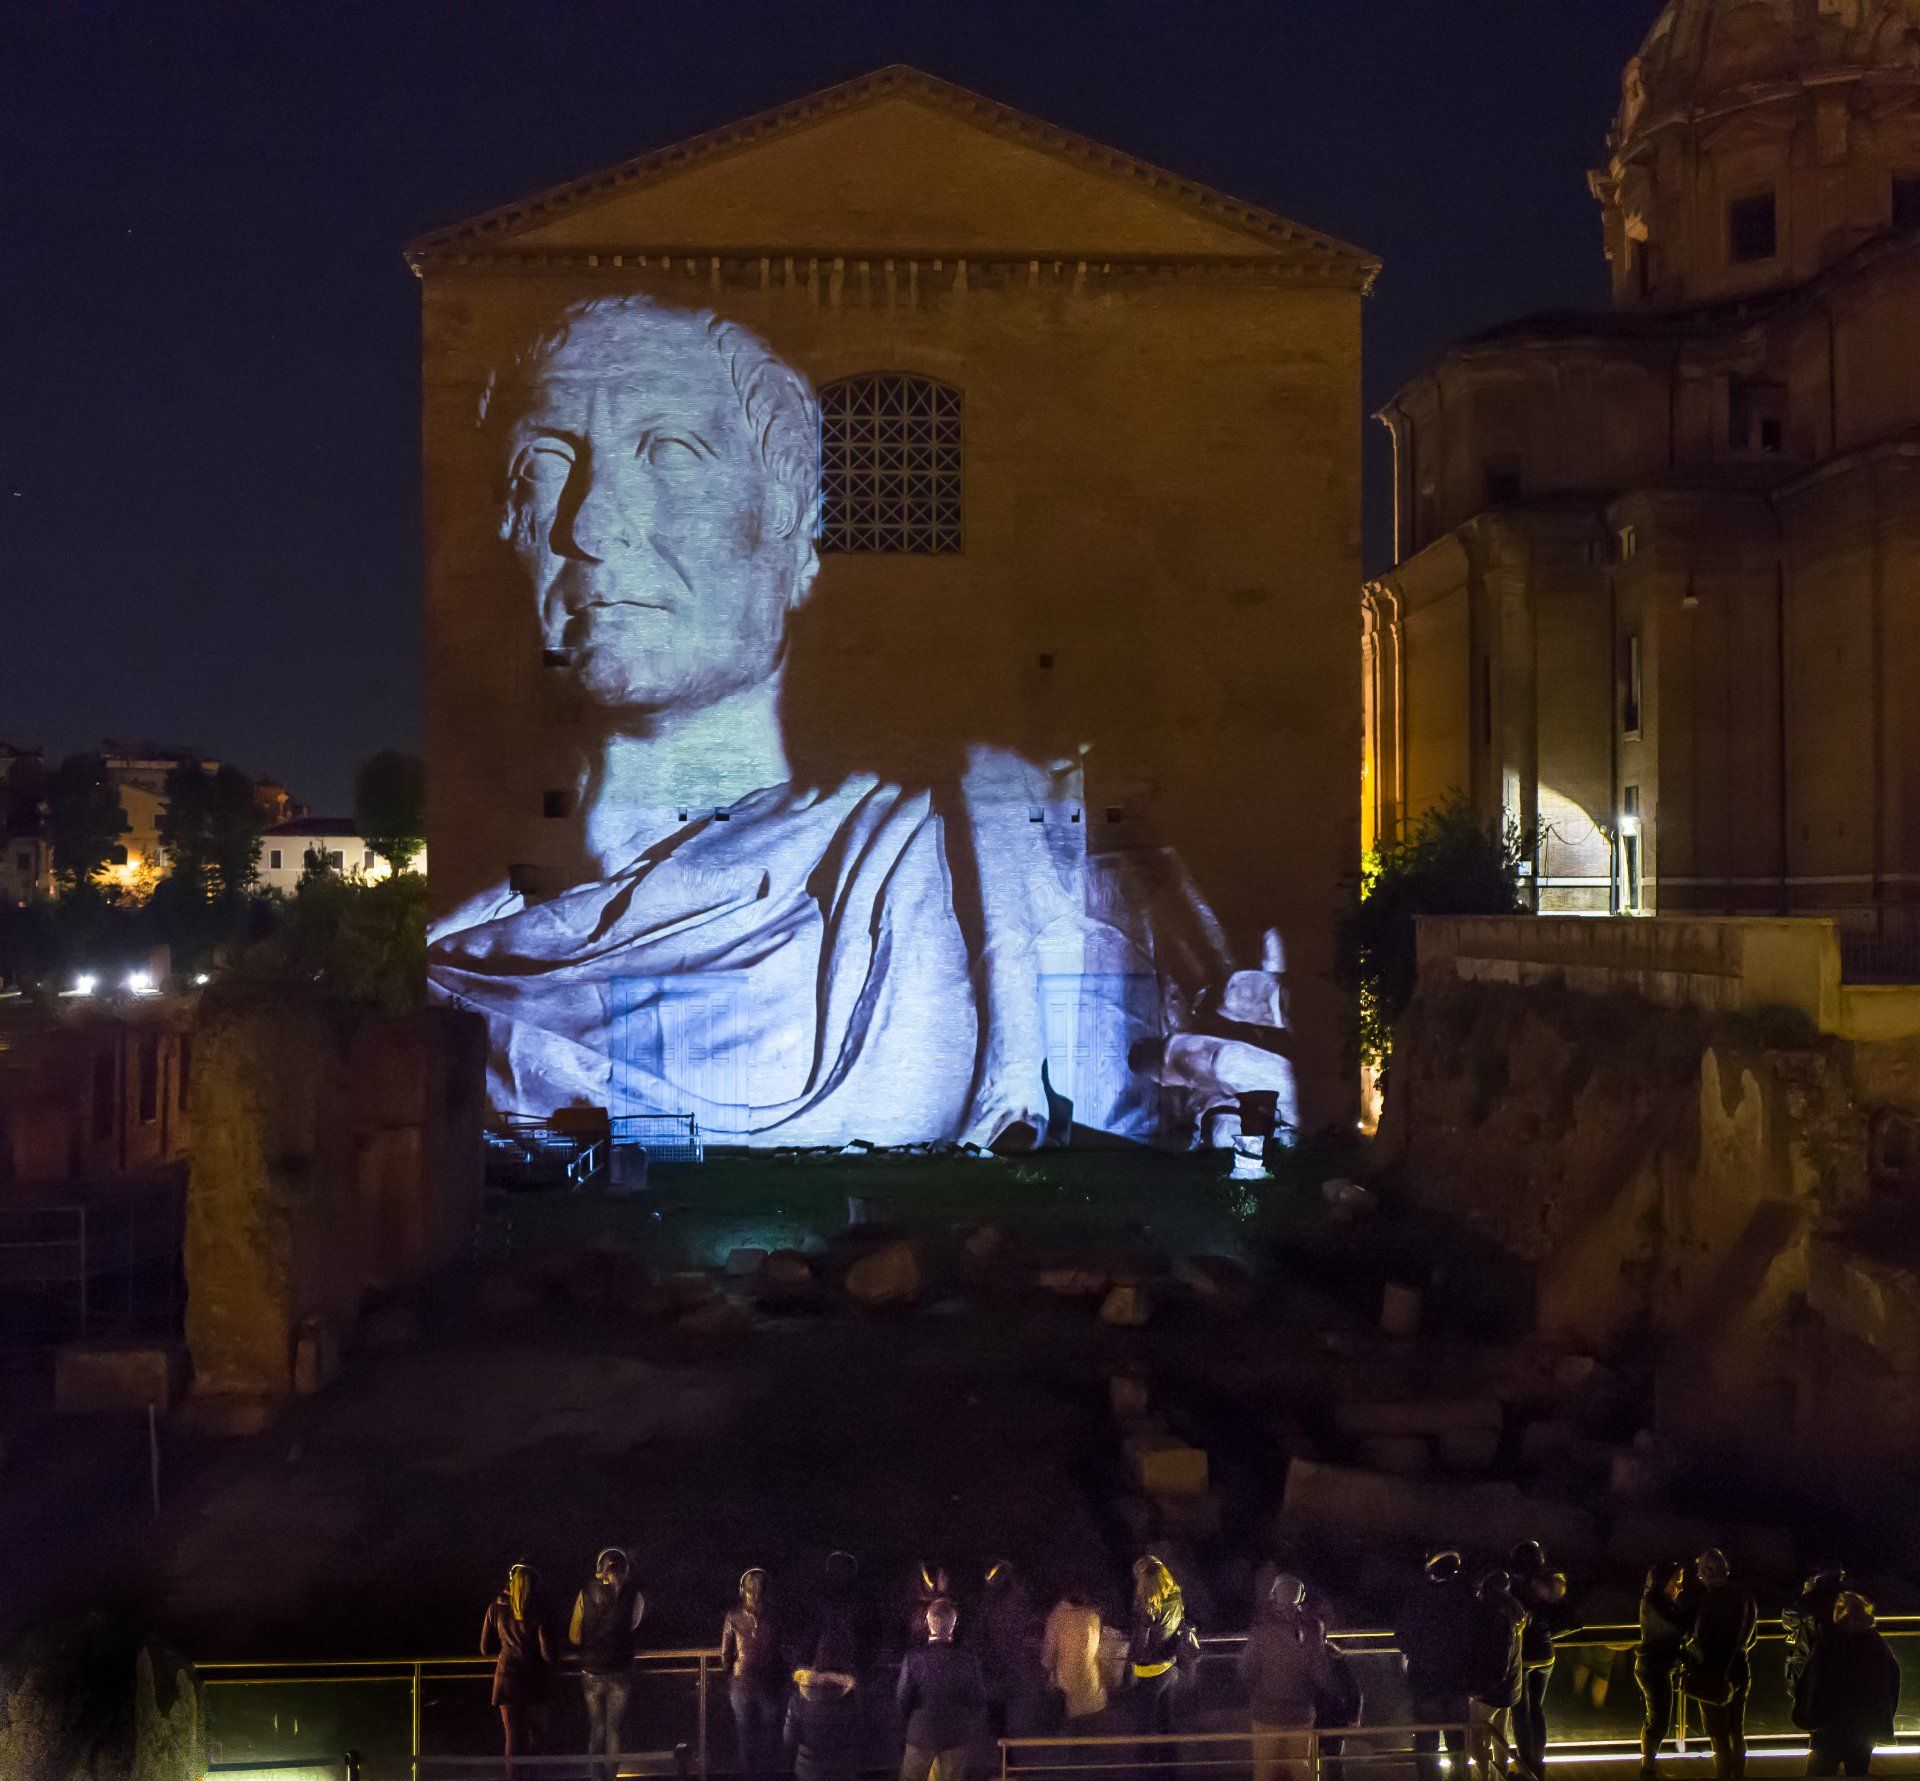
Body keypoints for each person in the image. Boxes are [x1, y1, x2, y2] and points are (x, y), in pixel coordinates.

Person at [426, 294, 1295, 1150]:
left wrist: (1249, 1113)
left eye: (672, 452)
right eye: (544, 461)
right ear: (505, 524)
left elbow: (1187, 1103)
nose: (593, 522)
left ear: (797, 533)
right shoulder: (452, 937)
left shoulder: (1012, 865)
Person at [1239, 1572, 1334, 1781]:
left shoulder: (1262, 1629)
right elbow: (1321, 1675)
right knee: (1302, 1770)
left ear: (1274, 1596)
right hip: (1301, 1713)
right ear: (1301, 1597)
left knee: (1264, 1771)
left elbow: (1245, 1669)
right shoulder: (1313, 1628)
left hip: (1265, 1713)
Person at [1397, 1551, 1481, 1781]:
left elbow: (1403, 1638)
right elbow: (1475, 1638)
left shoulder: (1418, 1599)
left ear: (1431, 1572)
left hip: (1425, 1680)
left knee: (1426, 1739)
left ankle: (1429, 1777)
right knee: (1457, 1739)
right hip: (1458, 1680)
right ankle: (1460, 1777)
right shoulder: (1467, 1600)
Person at [1800, 1593, 1901, 1776]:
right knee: (1857, 1771)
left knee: (1819, 1770)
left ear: (1839, 1612)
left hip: (1829, 1726)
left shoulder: (1829, 1642)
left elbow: (1812, 1681)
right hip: (1864, 1729)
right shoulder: (1876, 1643)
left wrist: (1809, 1715)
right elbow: (1891, 1682)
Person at [569, 1547, 646, 1781]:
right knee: (614, 1729)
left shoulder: (585, 1592)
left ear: (599, 1568)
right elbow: (634, 1625)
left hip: (592, 1670)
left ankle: (596, 1777)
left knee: (597, 1727)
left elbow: (574, 1635)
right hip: (620, 1668)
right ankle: (611, 1777)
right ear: (625, 1569)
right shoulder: (634, 1595)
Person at [1680, 1549, 1757, 1781]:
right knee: (1736, 1729)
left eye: (1700, 1569)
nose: (1698, 1574)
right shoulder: (1746, 1597)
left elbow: (1705, 1641)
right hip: (1740, 1669)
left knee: (1718, 1734)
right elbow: (1750, 1638)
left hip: (1713, 1673)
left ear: (1707, 1571)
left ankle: (1723, 1775)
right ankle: (1738, 1775)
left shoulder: (1710, 1600)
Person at [480, 1561, 556, 1780]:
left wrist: (506, 1647)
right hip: (535, 1681)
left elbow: (485, 1648)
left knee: (513, 1738)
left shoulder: (496, 1607)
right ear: (534, 1584)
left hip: (507, 1680)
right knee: (536, 1736)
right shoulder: (539, 1610)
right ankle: (533, 1777)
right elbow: (548, 1655)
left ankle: (514, 1778)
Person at [897, 1597, 987, 1781]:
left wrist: (915, 1717)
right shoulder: (967, 1659)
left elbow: (903, 1699)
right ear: (953, 1625)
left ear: (928, 1622)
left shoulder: (913, 1658)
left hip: (921, 1733)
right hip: (956, 1734)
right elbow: (978, 1699)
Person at [1509, 1542, 1570, 1779]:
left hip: (1523, 1657)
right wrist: (1548, 1633)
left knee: (1520, 1714)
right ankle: (1539, 1764)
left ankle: (1527, 1769)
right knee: (1536, 1709)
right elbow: (1574, 1620)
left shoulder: (1517, 1587)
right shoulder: (1550, 1585)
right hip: (1546, 1655)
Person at [722, 1567, 788, 1781]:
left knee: (746, 1738)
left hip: (743, 1684)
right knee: (769, 1738)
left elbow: (725, 1654)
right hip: (768, 1683)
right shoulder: (776, 1616)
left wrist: (730, 1677)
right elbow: (784, 1651)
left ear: (742, 1590)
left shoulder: (733, 1615)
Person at [1128, 1555, 1198, 1738]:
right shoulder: (1175, 1597)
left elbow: (1140, 1646)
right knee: (1166, 1722)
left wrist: (1130, 1666)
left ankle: (1147, 1755)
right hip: (1170, 1666)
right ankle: (1169, 1754)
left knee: (1144, 1727)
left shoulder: (1148, 1606)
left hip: (1150, 1671)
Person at [1635, 1561, 1692, 1777]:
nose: (1680, 1587)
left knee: (1656, 1719)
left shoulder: (1659, 1602)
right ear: (1664, 1581)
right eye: (1676, 1581)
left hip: (1654, 1667)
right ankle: (1648, 1769)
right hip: (1654, 1668)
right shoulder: (1656, 1604)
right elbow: (1679, 1626)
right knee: (1659, 1723)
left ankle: (1649, 1767)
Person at [979, 1560, 1045, 1741]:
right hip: (1009, 1667)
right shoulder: (1014, 1602)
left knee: (999, 1719)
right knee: (1009, 1720)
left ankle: (1002, 1749)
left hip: (998, 1667)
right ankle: (1007, 1751)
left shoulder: (991, 1604)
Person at [1469, 1570, 1528, 1770]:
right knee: (1500, 1735)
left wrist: (1481, 1690)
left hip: (1494, 1692)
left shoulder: (1497, 1621)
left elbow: (1498, 1662)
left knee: (1473, 1734)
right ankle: (1501, 1771)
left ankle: (1485, 1772)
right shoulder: (1514, 1612)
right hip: (1510, 1688)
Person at [1041, 1585, 1109, 1727]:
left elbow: (1048, 1657)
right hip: (1092, 1690)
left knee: (1071, 1734)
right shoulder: (1092, 1617)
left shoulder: (1057, 1617)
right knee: (1090, 1733)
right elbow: (1097, 1651)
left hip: (1067, 1694)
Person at [1786, 1570, 1850, 1712]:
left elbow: (1788, 1621)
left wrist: (1806, 1593)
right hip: (1838, 1666)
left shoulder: (1811, 1602)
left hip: (1808, 1663)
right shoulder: (1847, 1603)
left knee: (1808, 1705)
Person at [787, 1666, 865, 1781]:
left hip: (808, 1769)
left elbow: (789, 1737)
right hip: (843, 1768)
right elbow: (859, 1736)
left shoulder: (798, 1700)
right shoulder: (851, 1700)